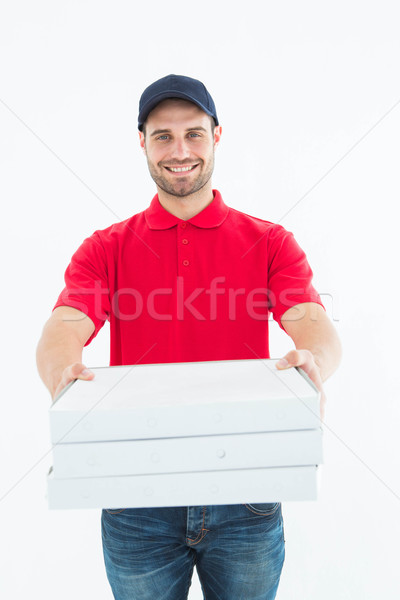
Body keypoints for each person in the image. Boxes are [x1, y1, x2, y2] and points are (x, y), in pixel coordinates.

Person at [36, 74, 341, 600]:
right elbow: (65, 324)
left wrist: (315, 357)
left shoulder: (269, 241)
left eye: (194, 134)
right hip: (136, 499)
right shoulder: (105, 248)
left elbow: (310, 317)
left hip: (248, 495)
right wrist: (62, 372)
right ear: (142, 143)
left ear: (217, 136)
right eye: (163, 136)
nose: (180, 151)